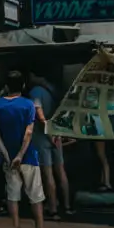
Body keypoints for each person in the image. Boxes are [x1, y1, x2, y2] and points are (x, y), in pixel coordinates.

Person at [0, 71, 61, 228]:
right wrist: (20, 155)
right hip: (27, 156)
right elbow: (28, 132)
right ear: (22, 86)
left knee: (12, 195)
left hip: (8, 158)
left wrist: (7, 155)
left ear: (6, 86)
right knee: (35, 195)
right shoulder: (28, 104)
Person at [28, 72, 73, 220]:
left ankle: (53, 208)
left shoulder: (35, 92)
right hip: (57, 135)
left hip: (43, 137)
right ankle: (67, 206)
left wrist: (49, 134)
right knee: (61, 170)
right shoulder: (53, 90)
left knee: (48, 173)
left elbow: (39, 115)